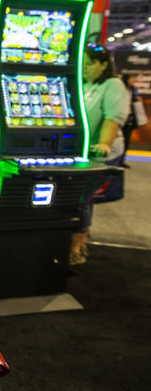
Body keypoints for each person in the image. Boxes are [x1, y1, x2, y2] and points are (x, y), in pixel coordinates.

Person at [70, 47, 130, 265]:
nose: (84, 67)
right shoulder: (84, 84)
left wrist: (104, 144)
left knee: (81, 198)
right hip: (80, 150)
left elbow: (112, 118)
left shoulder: (112, 85)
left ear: (103, 65)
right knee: (76, 198)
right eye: (82, 62)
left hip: (102, 153)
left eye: (89, 63)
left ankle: (77, 245)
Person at [120, 74, 140, 168]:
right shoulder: (120, 88)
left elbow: (137, 101)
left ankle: (122, 160)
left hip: (130, 119)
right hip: (120, 119)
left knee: (126, 141)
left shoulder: (133, 90)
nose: (133, 80)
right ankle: (117, 160)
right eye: (132, 78)